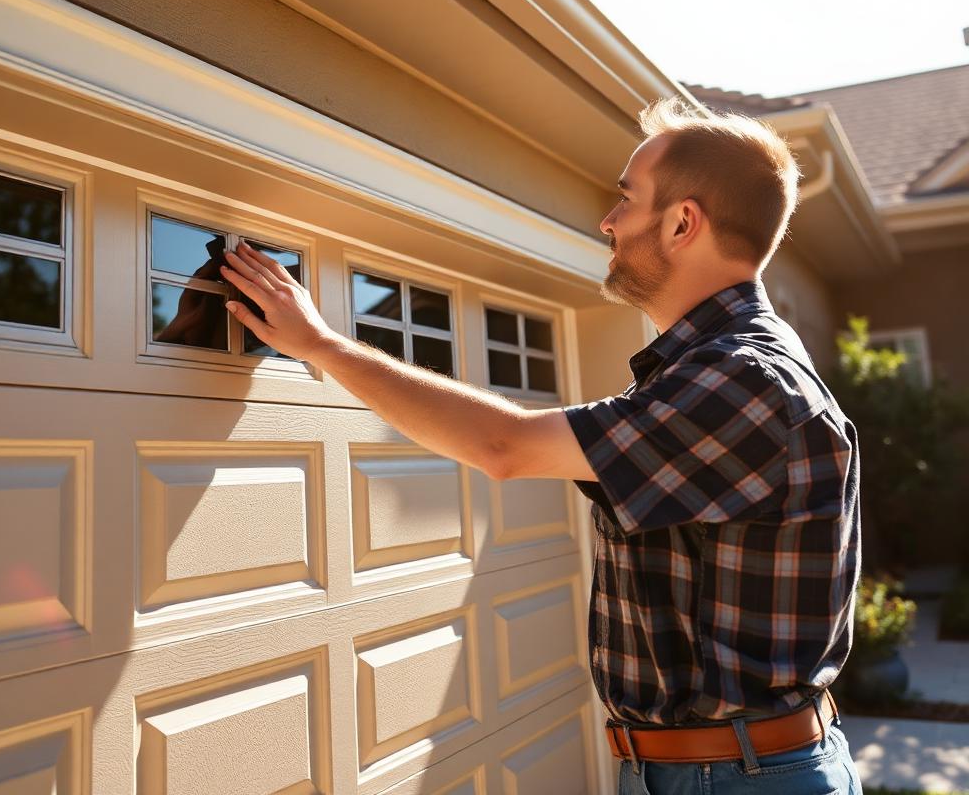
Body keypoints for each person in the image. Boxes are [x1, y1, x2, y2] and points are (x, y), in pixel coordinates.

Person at [219, 97, 863, 795]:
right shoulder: (717, 369)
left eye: (626, 199)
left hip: (738, 779)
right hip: (717, 770)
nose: (607, 222)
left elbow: (507, 446)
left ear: (683, 223)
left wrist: (321, 346)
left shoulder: (740, 380)